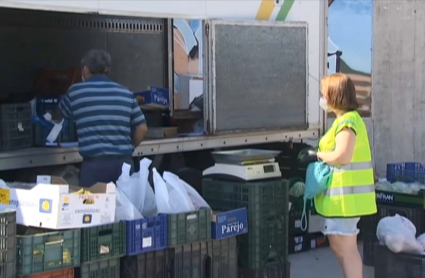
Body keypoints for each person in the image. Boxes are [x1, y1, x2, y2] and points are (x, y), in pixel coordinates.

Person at [298, 73, 376, 278]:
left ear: (335, 95)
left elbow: (342, 156)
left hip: (346, 201)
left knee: (346, 248)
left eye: (324, 93)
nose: (322, 97)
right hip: (342, 200)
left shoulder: (348, 122)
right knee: (339, 246)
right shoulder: (343, 120)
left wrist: (316, 155)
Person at [54, 49, 148, 187]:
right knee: (125, 207)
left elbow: (58, 116)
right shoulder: (125, 92)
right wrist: (129, 147)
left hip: (93, 167)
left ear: (85, 69)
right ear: (107, 70)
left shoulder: (76, 92)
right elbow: (142, 128)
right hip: (124, 164)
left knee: (91, 206)